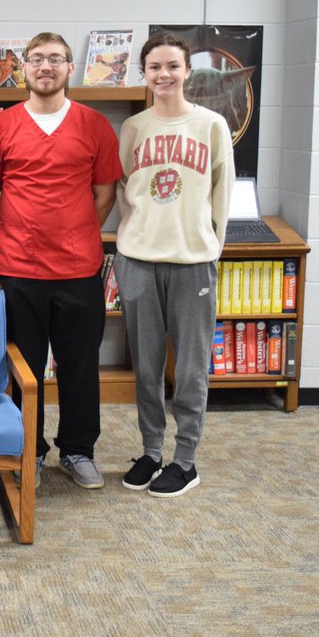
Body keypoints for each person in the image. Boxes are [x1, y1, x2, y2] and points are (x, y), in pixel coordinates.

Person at [0, 31, 123, 490]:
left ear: (69, 68)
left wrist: (71, 230)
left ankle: (78, 450)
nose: (45, 67)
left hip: (78, 268)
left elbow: (104, 194)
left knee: (79, 364)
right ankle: (28, 450)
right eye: (36, 59)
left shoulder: (94, 124)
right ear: (25, 68)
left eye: (56, 59)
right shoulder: (2, 126)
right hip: (17, 268)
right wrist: (18, 234)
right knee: (22, 365)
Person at [114, 33, 234, 497]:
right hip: (139, 260)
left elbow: (221, 193)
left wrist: (211, 245)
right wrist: (134, 230)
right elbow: (123, 187)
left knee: (189, 368)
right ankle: (150, 451)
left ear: (187, 71)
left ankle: (185, 460)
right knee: (145, 368)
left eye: (172, 66)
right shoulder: (134, 128)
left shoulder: (211, 126)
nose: (163, 75)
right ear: (144, 73)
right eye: (155, 67)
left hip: (192, 263)